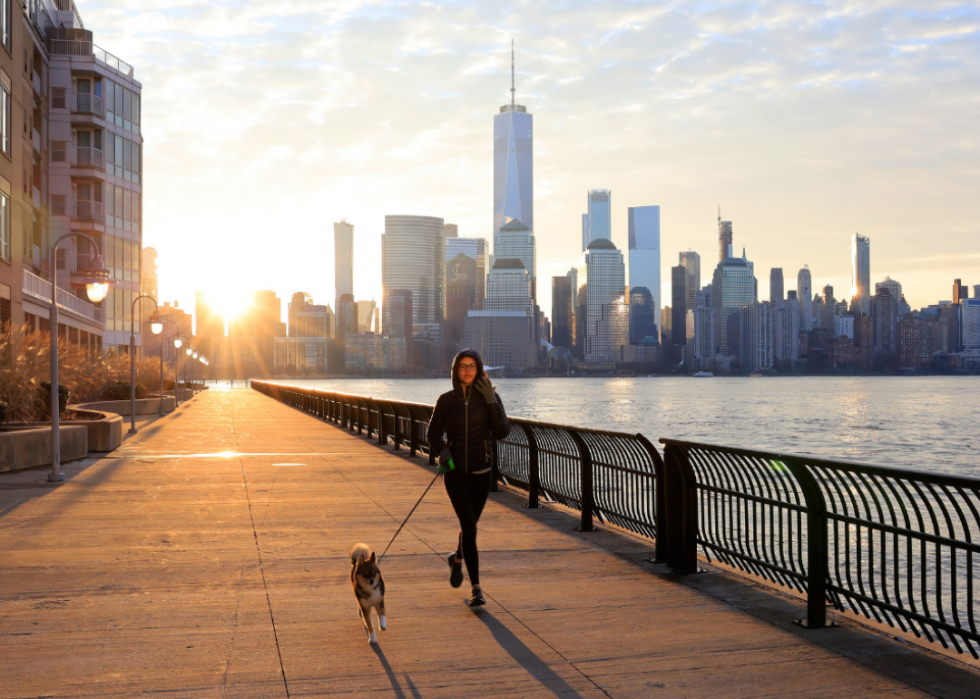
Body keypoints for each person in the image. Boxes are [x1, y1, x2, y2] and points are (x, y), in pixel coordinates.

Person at [427, 349, 510, 607]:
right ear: (455, 370)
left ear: (478, 369)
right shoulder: (446, 400)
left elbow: (502, 432)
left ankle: (457, 558)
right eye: (462, 366)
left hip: (481, 474)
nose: (467, 370)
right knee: (471, 527)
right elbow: (432, 434)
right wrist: (442, 450)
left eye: (472, 366)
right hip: (455, 476)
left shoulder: (490, 397)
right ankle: (476, 588)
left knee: (469, 526)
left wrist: (490, 401)